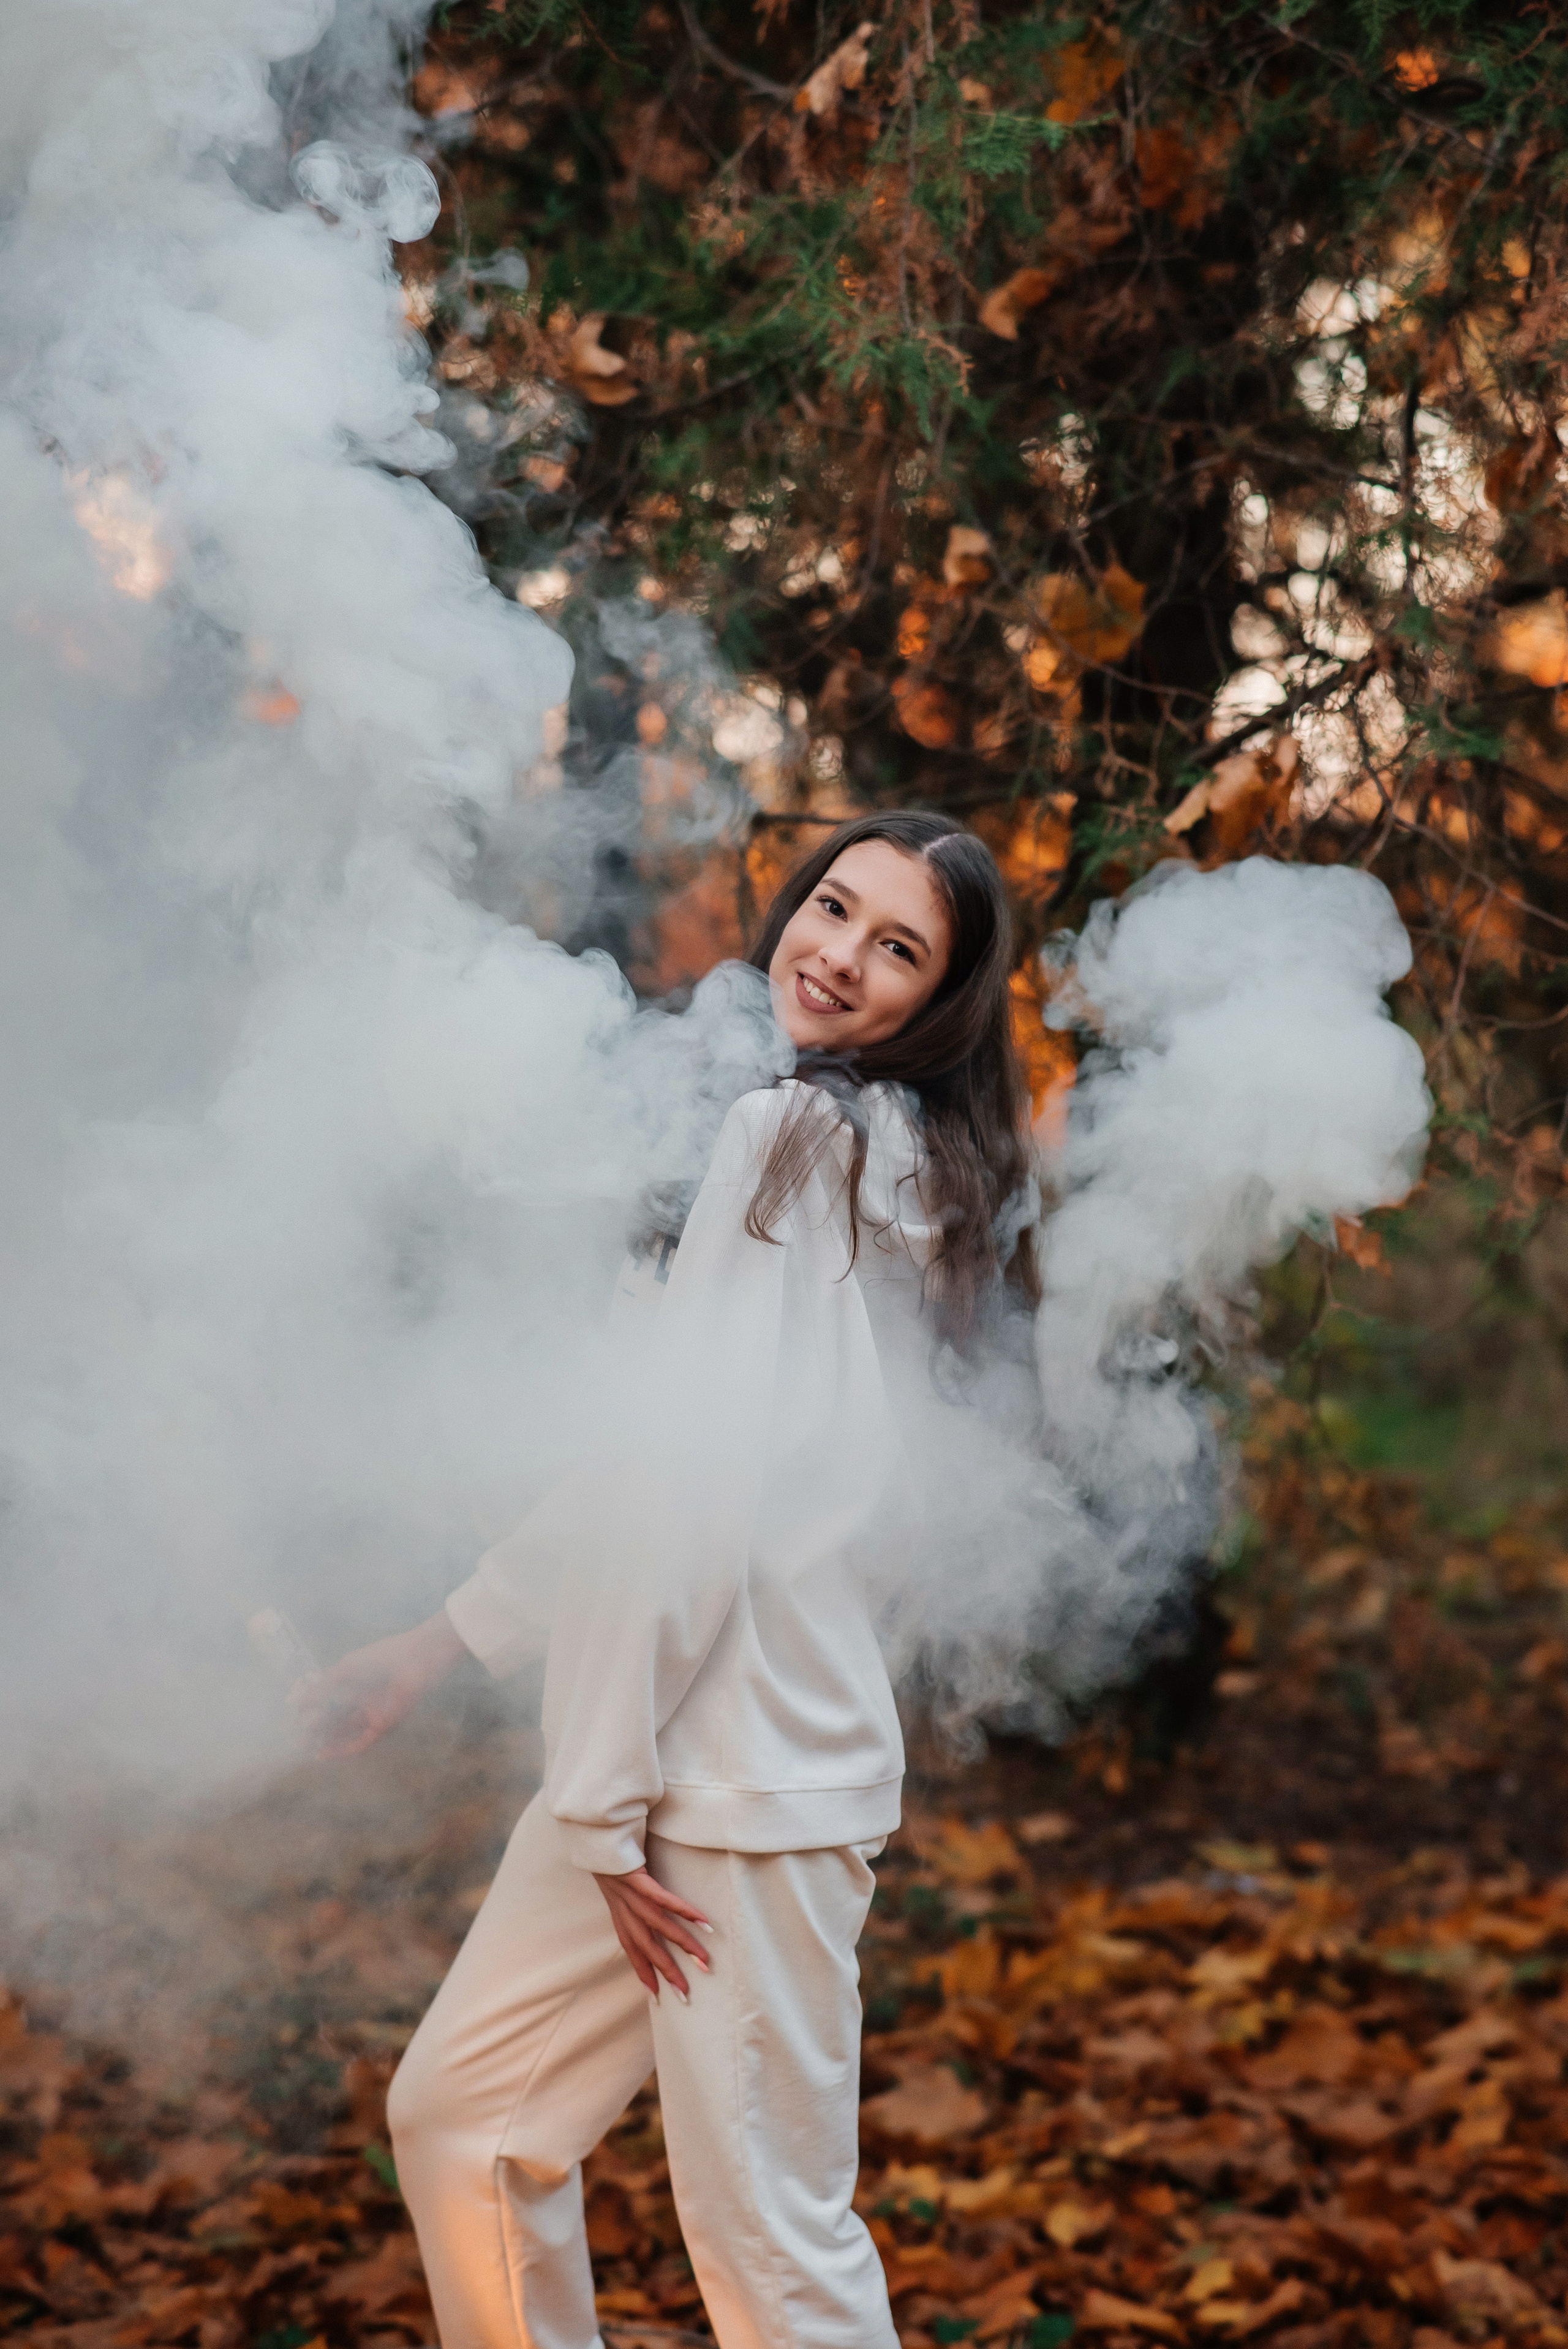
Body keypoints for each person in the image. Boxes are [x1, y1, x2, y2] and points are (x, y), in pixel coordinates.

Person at [300, 812, 1039, 2349]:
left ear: (937, 1003)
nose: (836, 955)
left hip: (731, 1795)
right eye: (832, 908)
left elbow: (690, 1508)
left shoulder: (805, 1141)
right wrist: (442, 1640)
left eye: (896, 948)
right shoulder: (842, 1146)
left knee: (771, 2248)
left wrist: (597, 1798)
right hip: (668, 1772)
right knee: (464, 2121)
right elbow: (652, 1461)